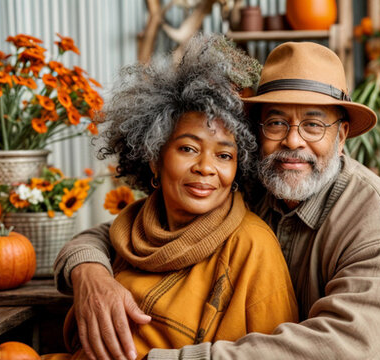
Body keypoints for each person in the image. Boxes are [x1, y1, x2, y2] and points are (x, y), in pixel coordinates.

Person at [54, 41, 380, 360]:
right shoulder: (254, 184)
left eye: (313, 125)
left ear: (341, 138)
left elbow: (339, 349)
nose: (293, 140)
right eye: (277, 121)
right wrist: (90, 274)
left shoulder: (378, 227)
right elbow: (115, 233)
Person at [60, 34, 297, 360]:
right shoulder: (134, 226)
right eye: (188, 148)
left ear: (238, 169)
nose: (205, 168)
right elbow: (88, 241)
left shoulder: (252, 246)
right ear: (155, 158)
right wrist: (89, 271)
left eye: (224, 156)